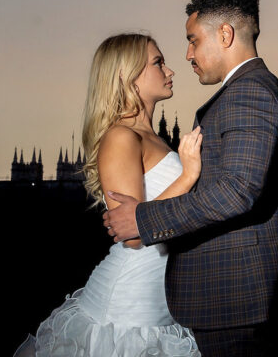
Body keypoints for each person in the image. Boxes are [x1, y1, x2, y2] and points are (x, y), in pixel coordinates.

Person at [103, 0, 278, 357]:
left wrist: (144, 219)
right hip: (219, 300)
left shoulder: (249, 93)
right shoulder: (244, 92)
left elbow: (237, 190)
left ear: (224, 35)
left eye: (193, 40)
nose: (187, 54)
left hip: (236, 301)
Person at [15, 33, 203, 357]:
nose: (170, 70)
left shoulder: (152, 138)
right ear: (127, 76)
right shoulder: (120, 135)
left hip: (161, 301)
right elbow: (132, 234)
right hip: (128, 310)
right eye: (158, 62)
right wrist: (187, 176)